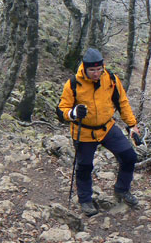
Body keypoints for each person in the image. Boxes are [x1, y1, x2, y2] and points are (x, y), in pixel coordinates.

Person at [57, 48, 140, 216]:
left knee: (129, 156)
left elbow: (122, 102)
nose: (96, 73)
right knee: (85, 166)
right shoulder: (73, 83)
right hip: (84, 131)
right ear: (85, 68)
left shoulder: (111, 79)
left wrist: (132, 125)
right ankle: (85, 200)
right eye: (92, 70)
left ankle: (122, 189)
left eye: (99, 69)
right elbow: (61, 109)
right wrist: (73, 113)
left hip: (107, 127)